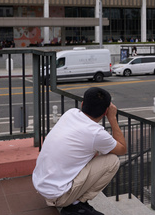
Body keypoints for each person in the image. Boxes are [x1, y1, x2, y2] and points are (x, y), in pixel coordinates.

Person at [32, 87, 127, 215]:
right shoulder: (96, 133)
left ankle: (73, 200)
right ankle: (76, 205)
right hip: (58, 196)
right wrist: (113, 118)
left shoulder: (71, 113)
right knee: (112, 161)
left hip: (40, 183)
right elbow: (122, 149)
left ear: (82, 104)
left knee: (93, 152)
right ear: (105, 111)